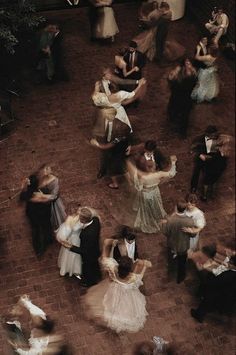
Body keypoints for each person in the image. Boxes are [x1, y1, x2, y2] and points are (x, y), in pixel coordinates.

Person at [83, 238, 152, 333]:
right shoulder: (132, 279)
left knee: (111, 303)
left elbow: (104, 258)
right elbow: (139, 278)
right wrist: (145, 265)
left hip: (114, 288)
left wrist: (107, 244)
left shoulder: (112, 268)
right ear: (129, 269)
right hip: (126, 293)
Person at [127, 155, 177, 233]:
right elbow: (171, 174)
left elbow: (139, 188)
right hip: (155, 192)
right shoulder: (159, 174)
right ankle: (156, 217)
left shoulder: (143, 177)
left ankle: (149, 221)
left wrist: (136, 176)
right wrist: (173, 162)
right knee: (156, 206)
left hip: (146, 195)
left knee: (146, 210)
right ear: (153, 167)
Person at [191, 255, 236, 323]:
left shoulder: (227, 275)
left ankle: (199, 314)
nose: (228, 262)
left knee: (209, 292)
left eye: (230, 262)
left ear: (232, 264)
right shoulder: (231, 272)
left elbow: (211, 283)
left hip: (223, 292)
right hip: (230, 294)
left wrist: (200, 269)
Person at [160, 199, 196, 283]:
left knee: (171, 260)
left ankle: (170, 272)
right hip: (183, 246)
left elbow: (165, 232)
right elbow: (193, 234)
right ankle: (180, 277)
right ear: (186, 209)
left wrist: (163, 224)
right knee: (182, 263)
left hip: (172, 244)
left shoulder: (169, 219)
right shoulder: (190, 221)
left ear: (176, 207)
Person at [64, 207, 101, 287]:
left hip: (89, 255)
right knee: (94, 265)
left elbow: (84, 250)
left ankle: (89, 282)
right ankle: (97, 274)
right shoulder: (95, 220)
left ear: (83, 220)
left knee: (88, 268)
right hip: (96, 249)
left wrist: (70, 247)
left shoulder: (87, 234)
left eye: (80, 217)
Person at [190, 126, 229, 200]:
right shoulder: (199, 139)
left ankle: (208, 192)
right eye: (213, 135)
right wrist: (199, 154)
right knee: (196, 173)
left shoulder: (218, 138)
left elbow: (225, 144)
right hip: (200, 160)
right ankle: (193, 188)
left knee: (208, 176)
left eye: (215, 135)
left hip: (211, 160)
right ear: (207, 134)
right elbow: (193, 148)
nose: (214, 137)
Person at [20, 175, 53, 257]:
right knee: (46, 227)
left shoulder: (27, 194)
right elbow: (51, 199)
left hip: (32, 215)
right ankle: (47, 241)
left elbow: (21, 197)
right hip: (44, 214)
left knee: (35, 231)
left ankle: (38, 250)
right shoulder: (43, 191)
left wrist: (23, 187)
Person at [167, 57, 197, 138]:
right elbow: (170, 79)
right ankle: (173, 122)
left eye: (190, 63)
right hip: (177, 96)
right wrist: (174, 73)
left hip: (186, 98)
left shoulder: (193, 72)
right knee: (174, 112)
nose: (188, 65)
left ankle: (182, 132)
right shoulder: (179, 71)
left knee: (185, 116)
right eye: (187, 63)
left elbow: (194, 83)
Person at [36, 164, 66, 231]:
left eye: (47, 169)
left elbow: (54, 195)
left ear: (50, 170)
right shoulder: (42, 179)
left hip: (54, 204)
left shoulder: (54, 180)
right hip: (44, 204)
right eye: (44, 170)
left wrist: (42, 196)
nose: (44, 171)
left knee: (58, 223)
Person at [56, 208, 83, 277]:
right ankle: (69, 269)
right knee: (71, 254)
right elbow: (64, 234)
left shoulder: (82, 218)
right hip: (73, 239)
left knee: (77, 254)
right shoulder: (70, 219)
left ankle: (75, 269)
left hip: (80, 238)